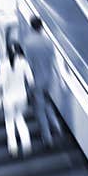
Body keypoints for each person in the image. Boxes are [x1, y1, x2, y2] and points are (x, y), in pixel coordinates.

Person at [21, 16, 62, 147]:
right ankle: (56, 126)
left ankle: (47, 137)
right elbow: (53, 60)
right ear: (41, 27)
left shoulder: (28, 43)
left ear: (31, 26)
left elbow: (29, 65)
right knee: (48, 102)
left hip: (36, 79)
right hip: (48, 77)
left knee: (39, 109)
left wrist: (27, 84)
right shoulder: (48, 41)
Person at [0, 42, 33, 157]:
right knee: (20, 119)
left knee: (10, 122)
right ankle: (26, 144)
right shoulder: (24, 63)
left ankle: (13, 147)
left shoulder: (4, 65)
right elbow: (31, 81)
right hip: (22, 97)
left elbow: (0, 83)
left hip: (8, 99)